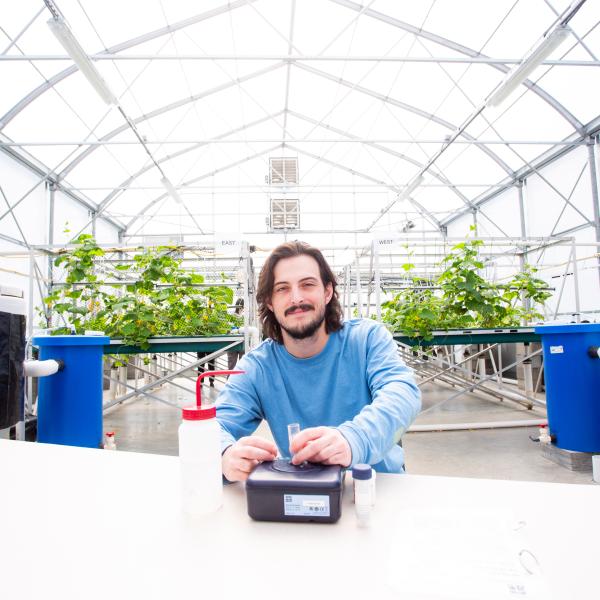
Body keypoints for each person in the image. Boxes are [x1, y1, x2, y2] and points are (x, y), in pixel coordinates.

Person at [216, 241, 421, 482]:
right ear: (270, 302)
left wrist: (352, 440)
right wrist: (224, 455)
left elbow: (403, 393)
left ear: (327, 292)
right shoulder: (257, 367)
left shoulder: (366, 340)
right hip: (306, 495)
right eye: (282, 288)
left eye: (307, 284)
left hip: (380, 489)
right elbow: (213, 426)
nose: (296, 298)